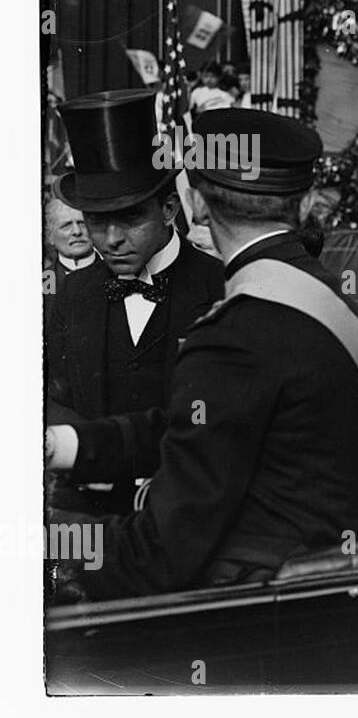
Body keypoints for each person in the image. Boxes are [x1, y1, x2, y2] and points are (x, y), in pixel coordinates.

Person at [45, 108, 358, 599]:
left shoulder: (236, 334)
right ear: (305, 204)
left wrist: (47, 535)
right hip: (311, 576)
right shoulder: (324, 298)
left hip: (246, 607)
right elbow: (199, 425)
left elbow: (158, 554)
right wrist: (62, 446)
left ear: (193, 203)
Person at [44, 90, 226, 516]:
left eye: (129, 218)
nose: (110, 240)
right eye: (96, 221)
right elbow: (52, 397)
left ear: (167, 210)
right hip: (94, 512)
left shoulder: (222, 288)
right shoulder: (71, 294)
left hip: (195, 510)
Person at [42, 194, 96, 304]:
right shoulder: (42, 281)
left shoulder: (116, 277)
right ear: (50, 236)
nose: (77, 231)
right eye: (66, 226)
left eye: (82, 224)